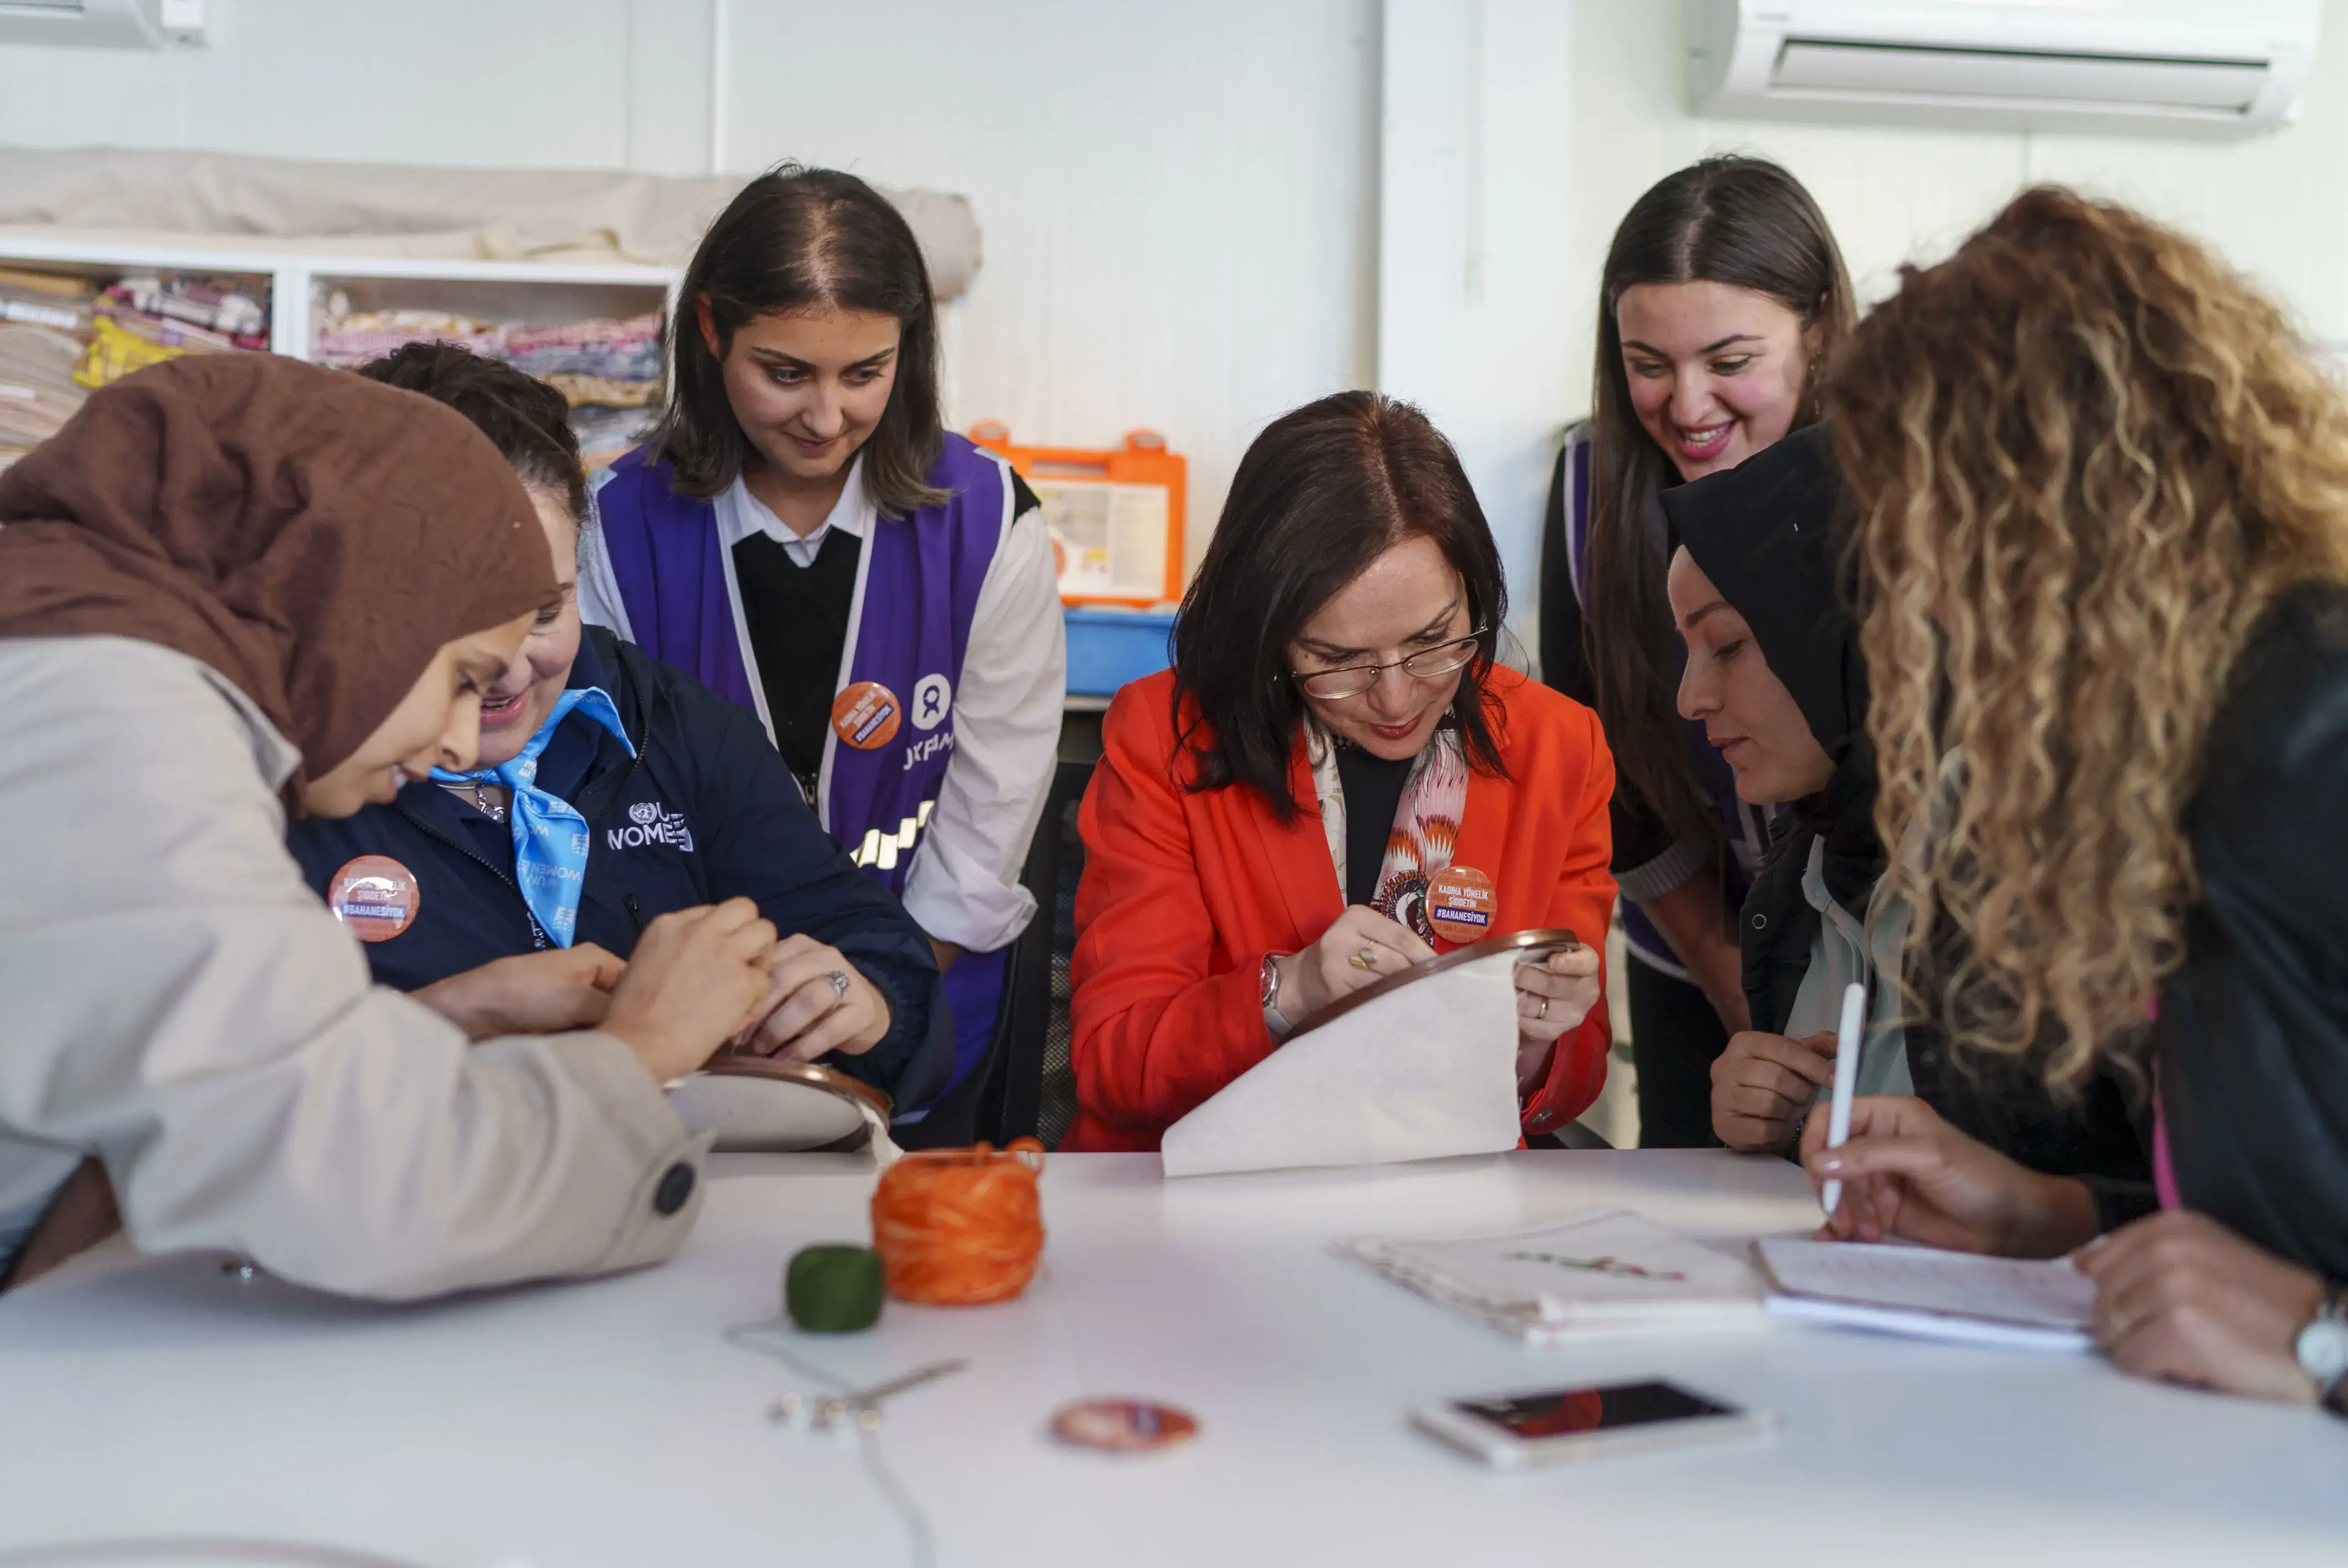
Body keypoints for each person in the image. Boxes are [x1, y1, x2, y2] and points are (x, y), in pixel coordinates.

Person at [0, 354, 777, 1299]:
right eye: (459, 676)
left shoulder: (84, 664)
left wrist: (452, 1013)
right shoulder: (120, 724)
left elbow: (215, 1089)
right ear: (355, 604)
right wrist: (644, 1051)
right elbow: (367, 1193)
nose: (458, 743)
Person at [1806, 187, 2348, 1415]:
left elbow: (2300, 1296)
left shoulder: (2312, 729)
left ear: (2045, 523)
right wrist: (2046, 1217)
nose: (1920, 603)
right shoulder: (2191, 750)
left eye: (1921, 537)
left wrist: (2324, 1341)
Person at [287, 344, 950, 1107]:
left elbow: (880, 964)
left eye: (544, 613)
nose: (504, 672)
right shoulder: (269, 777)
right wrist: (449, 1018)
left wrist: (853, 998)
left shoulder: (671, 724)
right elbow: (218, 1113)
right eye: (460, 625)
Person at [579, 164, 1064, 1139]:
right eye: (786, 372)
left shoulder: (988, 520)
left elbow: (993, 803)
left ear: (908, 351)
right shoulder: (617, 521)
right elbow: (609, 795)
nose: (827, 416)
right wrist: (724, 1001)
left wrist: (881, 991)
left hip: (926, 985)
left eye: (865, 373)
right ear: (712, 332)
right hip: (698, 1009)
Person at [1066, 393, 1615, 1152]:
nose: (1394, 697)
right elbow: (1115, 1063)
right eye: (1336, 660)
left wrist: (1536, 1042)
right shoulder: (1168, 736)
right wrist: (1292, 992)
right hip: (1205, 1198)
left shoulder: (1560, 748)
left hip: (1438, 1200)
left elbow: (1573, 1076)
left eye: (1433, 641)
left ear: (1476, 598)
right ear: (1266, 634)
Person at [1662, 429, 2152, 1223]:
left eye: (1727, 645)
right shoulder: (1798, 884)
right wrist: (1771, 1116)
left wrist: (2028, 1210)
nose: (1692, 698)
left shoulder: (2060, 879)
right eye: (1687, 650)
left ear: (1855, 632)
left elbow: (2213, 1227)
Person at [1538, 156, 1856, 1148]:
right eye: (1647, 364)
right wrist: (1733, 984)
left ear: (1817, 330)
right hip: (1691, 953)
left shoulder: (1893, 493)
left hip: (1871, 954)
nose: (1685, 405)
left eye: (1729, 363)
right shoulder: (1592, 492)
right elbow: (1611, 778)